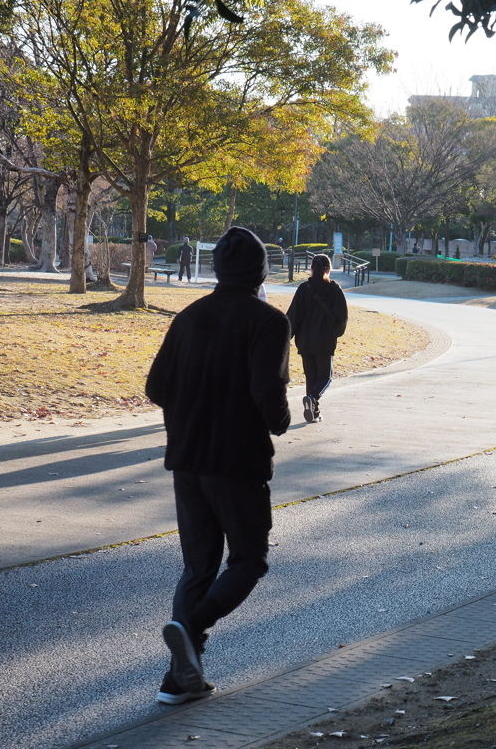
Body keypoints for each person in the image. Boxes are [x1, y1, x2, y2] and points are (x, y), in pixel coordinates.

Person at [145, 226, 292, 705]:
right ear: (260, 271)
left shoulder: (188, 317)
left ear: (217, 269)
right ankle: (190, 627)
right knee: (249, 560)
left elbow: (155, 388)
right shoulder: (268, 321)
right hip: (237, 462)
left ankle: (178, 680)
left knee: (197, 568)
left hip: (187, 460)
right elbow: (267, 393)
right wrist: (280, 420)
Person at [286, 254, 348, 423]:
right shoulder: (334, 289)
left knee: (311, 376)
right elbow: (342, 317)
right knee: (325, 376)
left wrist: (286, 337)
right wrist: (334, 333)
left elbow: (292, 315)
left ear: (312, 269)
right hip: (324, 340)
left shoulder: (303, 288)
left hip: (304, 340)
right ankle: (312, 398)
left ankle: (314, 411)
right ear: (329, 270)